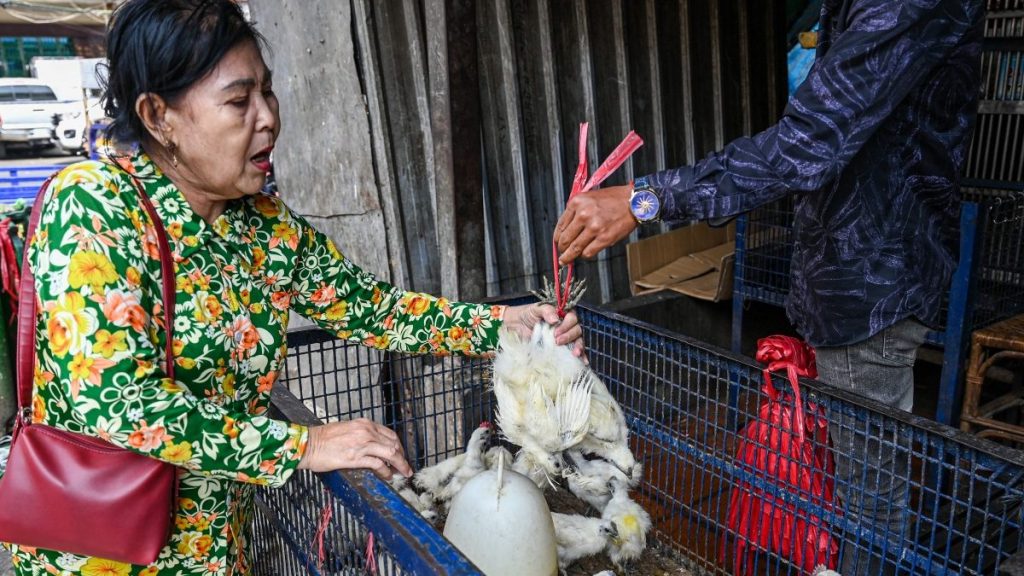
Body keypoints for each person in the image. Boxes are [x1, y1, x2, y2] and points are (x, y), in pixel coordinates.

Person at [2, 1, 583, 574]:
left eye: (268, 91)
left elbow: (373, 310)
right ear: (159, 116)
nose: (268, 118)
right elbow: (117, 403)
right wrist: (304, 444)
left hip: (219, 550)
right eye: (239, 101)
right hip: (100, 555)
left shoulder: (265, 226)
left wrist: (503, 325)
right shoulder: (95, 205)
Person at [554, 1, 983, 574]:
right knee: (852, 479)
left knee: (870, 502)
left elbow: (808, 144)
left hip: (873, 289)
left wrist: (644, 199)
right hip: (848, 282)